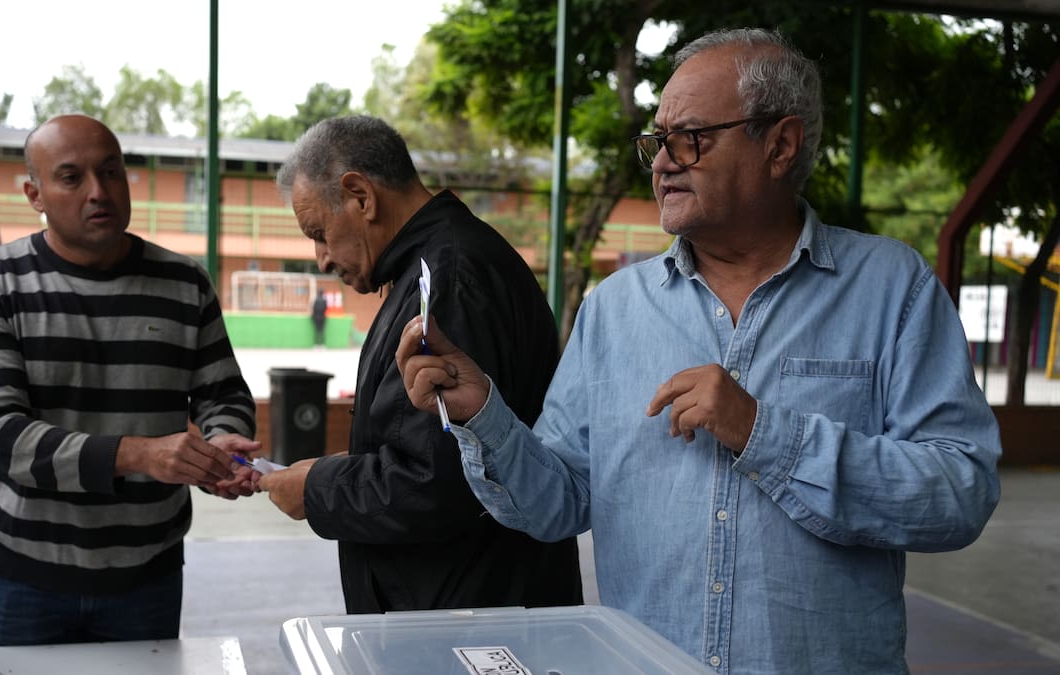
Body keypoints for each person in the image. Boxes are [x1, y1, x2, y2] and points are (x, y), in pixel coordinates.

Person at [396, 28, 1001, 674]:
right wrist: (482, 413)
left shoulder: (891, 289)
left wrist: (764, 434)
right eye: (656, 141)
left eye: (689, 138)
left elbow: (959, 492)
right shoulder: (613, 309)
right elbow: (557, 501)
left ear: (780, 145)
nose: (662, 163)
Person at [0, 114, 261, 646]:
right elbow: (0, 439)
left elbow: (223, 392)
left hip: (149, 574)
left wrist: (224, 441)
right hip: (25, 576)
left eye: (111, 172)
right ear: (34, 194)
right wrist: (139, 455)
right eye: (71, 177)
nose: (99, 191)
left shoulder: (185, 283)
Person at [254, 115, 582, 613]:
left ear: (360, 196)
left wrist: (319, 489)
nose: (321, 258)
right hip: (461, 601)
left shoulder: (448, 278)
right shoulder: (432, 265)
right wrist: (337, 467)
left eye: (319, 233)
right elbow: (429, 446)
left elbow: (443, 481)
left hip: (470, 615)